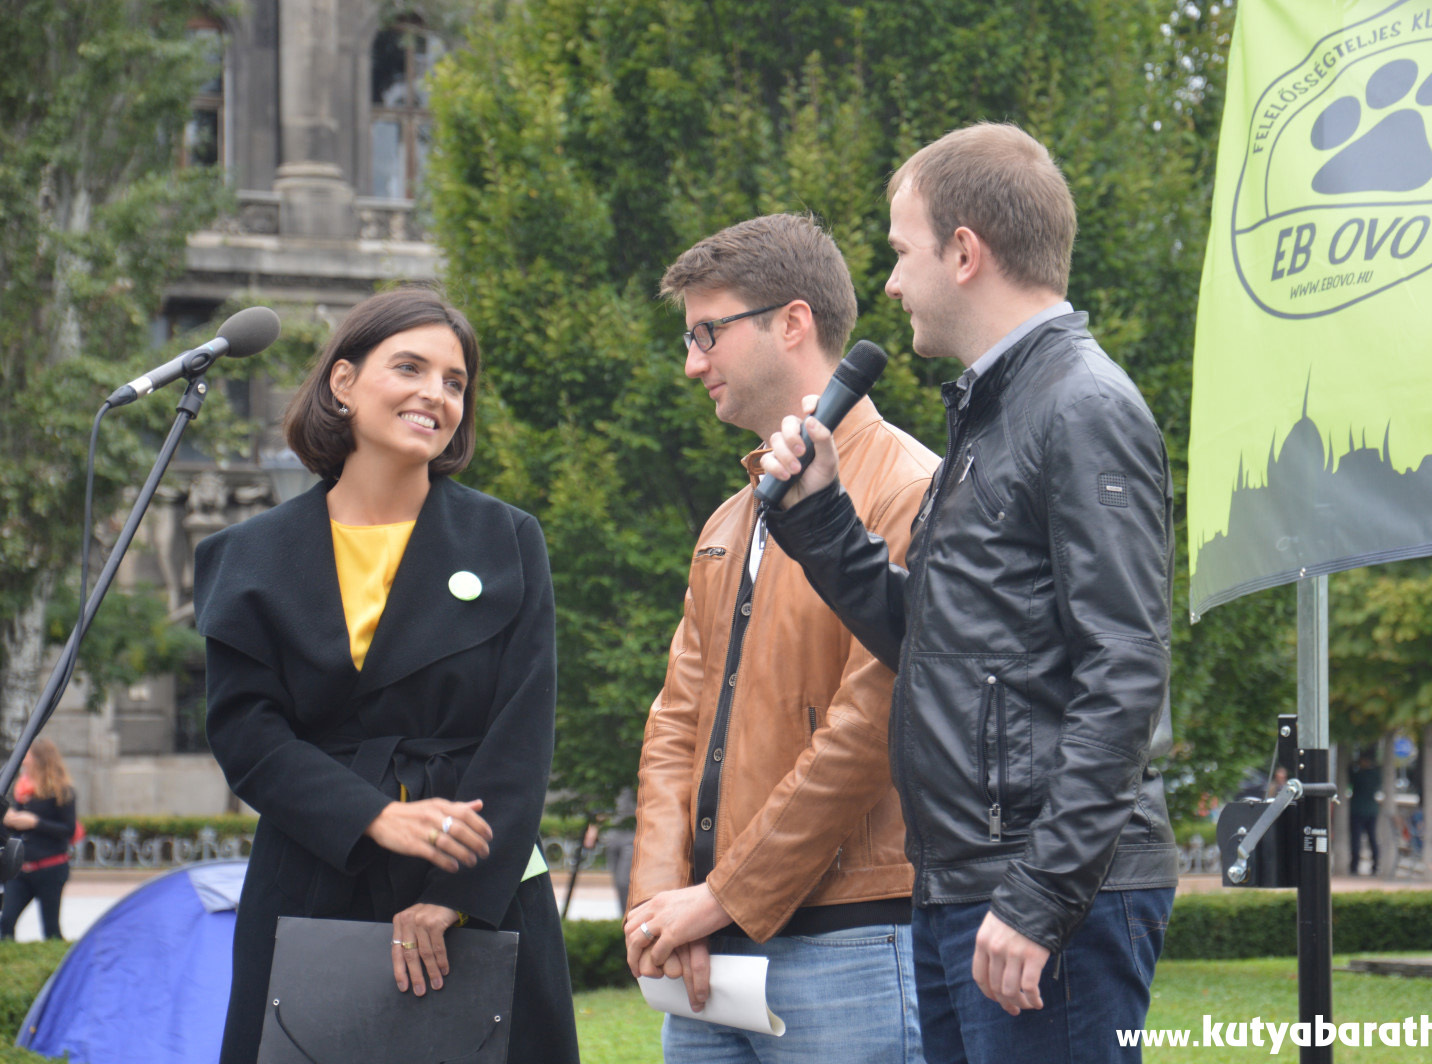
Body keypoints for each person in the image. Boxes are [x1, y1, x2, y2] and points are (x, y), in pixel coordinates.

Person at [759, 123, 1178, 1063]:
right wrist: (823, 517)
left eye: (903, 252)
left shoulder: (1081, 408)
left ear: (964, 251)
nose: (893, 283)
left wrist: (1039, 896)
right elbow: (934, 641)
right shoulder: (998, 414)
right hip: (974, 883)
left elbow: (1127, 668)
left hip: (1039, 893)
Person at [194, 287, 579, 1064]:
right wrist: (373, 815)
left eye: (454, 381)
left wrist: (457, 897)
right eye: (410, 367)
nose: (435, 395)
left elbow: (522, 732)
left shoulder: (506, 539)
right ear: (343, 382)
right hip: (315, 874)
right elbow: (248, 734)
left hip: (480, 879)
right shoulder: (249, 557)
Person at [624, 213, 938, 1063]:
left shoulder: (909, 489)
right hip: (702, 951)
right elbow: (675, 723)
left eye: (706, 334)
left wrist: (721, 896)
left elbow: (870, 731)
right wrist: (663, 903)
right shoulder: (731, 518)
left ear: (792, 322)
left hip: (850, 946)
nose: (692, 363)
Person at [1, 738, 77, 941]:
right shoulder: (21, 789)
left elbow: (68, 830)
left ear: (39, 759)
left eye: (27, 755)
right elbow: (13, 830)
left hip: (50, 868)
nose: (23, 760)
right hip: (21, 870)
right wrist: (9, 820)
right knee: (5, 921)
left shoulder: (62, 791)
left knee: (50, 928)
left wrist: (36, 822)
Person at [1347, 751, 1381, 875]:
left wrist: (1353, 764)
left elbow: (1350, 775)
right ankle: (1375, 865)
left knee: (1356, 840)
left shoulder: (1358, 775)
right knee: (1372, 839)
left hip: (1358, 810)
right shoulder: (1375, 775)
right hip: (1371, 810)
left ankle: (1354, 866)